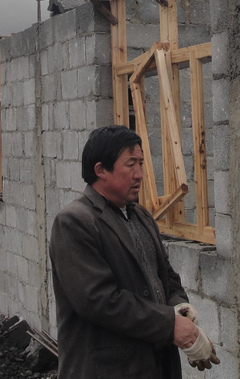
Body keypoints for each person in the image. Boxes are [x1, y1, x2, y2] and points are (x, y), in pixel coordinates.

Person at [50, 125, 219, 378]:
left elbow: (166, 277)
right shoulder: (75, 222)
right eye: (130, 165)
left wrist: (180, 308)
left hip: (154, 366)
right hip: (107, 370)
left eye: (140, 163)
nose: (139, 174)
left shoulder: (141, 216)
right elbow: (99, 301)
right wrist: (170, 325)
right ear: (100, 170)